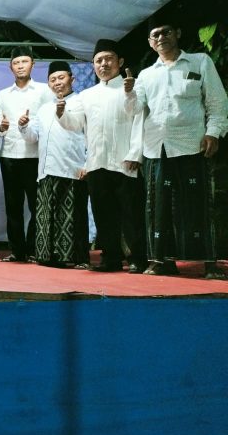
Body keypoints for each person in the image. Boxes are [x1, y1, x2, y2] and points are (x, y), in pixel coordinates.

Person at [127, 17, 228, 279]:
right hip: (157, 147)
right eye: (156, 35)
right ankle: (161, 261)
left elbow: (217, 101)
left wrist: (213, 132)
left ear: (178, 33)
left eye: (166, 32)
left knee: (198, 204)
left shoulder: (200, 62)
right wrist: (129, 92)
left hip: (193, 143)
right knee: (157, 207)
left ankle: (209, 263)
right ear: (150, 42)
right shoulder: (146, 74)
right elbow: (134, 110)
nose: (161, 38)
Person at [58, 39, 146, 273]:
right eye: (99, 60)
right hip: (97, 162)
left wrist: (136, 153)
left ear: (120, 62)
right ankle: (111, 259)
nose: (104, 64)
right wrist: (62, 114)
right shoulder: (87, 95)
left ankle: (137, 258)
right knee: (104, 213)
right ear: (93, 65)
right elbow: (74, 124)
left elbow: (140, 120)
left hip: (125, 161)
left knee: (131, 213)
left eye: (109, 59)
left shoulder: (132, 88)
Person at [18, 61, 89, 268]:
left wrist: (88, 163)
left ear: (72, 79)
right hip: (46, 170)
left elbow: (90, 135)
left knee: (72, 216)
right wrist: (23, 127)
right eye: (53, 79)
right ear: (49, 84)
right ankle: (48, 256)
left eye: (61, 78)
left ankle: (76, 257)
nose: (57, 82)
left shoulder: (81, 102)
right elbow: (33, 137)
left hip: (72, 168)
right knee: (46, 216)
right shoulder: (44, 109)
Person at [0, 46, 54, 262]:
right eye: (16, 63)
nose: (20, 66)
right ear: (11, 67)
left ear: (32, 64)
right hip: (9, 155)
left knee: (36, 205)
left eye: (24, 62)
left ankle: (34, 249)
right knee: (13, 206)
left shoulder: (44, 91)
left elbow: (49, 121)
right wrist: (1, 128)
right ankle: (17, 251)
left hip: (35, 155)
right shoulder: (2, 95)